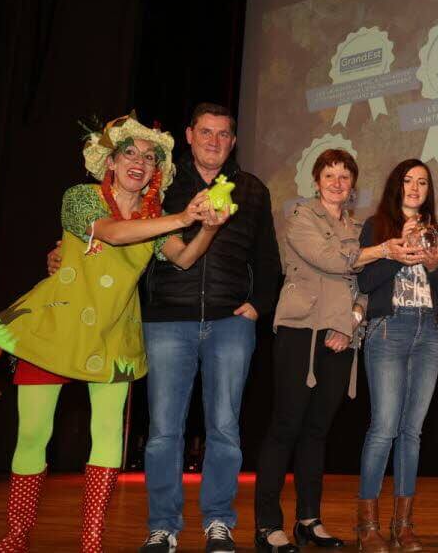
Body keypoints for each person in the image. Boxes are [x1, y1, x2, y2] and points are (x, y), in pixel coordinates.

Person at [0, 115, 229, 553]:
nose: (139, 162)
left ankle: (91, 538)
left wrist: (207, 227)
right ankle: (15, 536)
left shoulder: (152, 219)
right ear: (110, 162)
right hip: (54, 326)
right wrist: (184, 215)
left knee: (108, 434)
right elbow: (111, 233)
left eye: (149, 158)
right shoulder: (81, 198)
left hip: (115, 333)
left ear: (155, 173)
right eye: (129, 153)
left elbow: (186, 259)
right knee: (33, 433)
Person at [137, 102, 281, 553]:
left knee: (224, 429)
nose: (214, 141)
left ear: (233, 141)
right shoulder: (161, 186)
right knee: (163, 431)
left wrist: (258, 306)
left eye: (223, 134)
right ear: (189, 134)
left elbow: (268, 260)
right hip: (167, 322)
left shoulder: (253, 190)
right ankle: (163, 527)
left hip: (230, 324)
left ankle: (218, 522)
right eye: (206, 132)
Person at [252, 149, 396, 552]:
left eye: (344, 177)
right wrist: (384, 250)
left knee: (317, 432)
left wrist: (349, 324)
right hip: (302, 331)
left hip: (340, 336)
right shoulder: (302, 218)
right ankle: (267, 525)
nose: (337, 183)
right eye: (329, 175)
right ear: (316, 181)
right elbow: (334, 261)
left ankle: (308, 519)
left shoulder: (357, 227)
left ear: (352, 186)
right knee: (286, 426)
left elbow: (365, 286)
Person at [354, 159, 438, 553]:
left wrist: (432, 265)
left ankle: (404, 525)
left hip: (429, 331)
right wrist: (394, 254)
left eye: (423, 183)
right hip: (388, 328)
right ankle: (368, 527)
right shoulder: (376, 228)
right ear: (397, 186)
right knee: (384, 427)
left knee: (412, 431)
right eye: (409, 181)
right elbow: (364, 280)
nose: (415, 188)